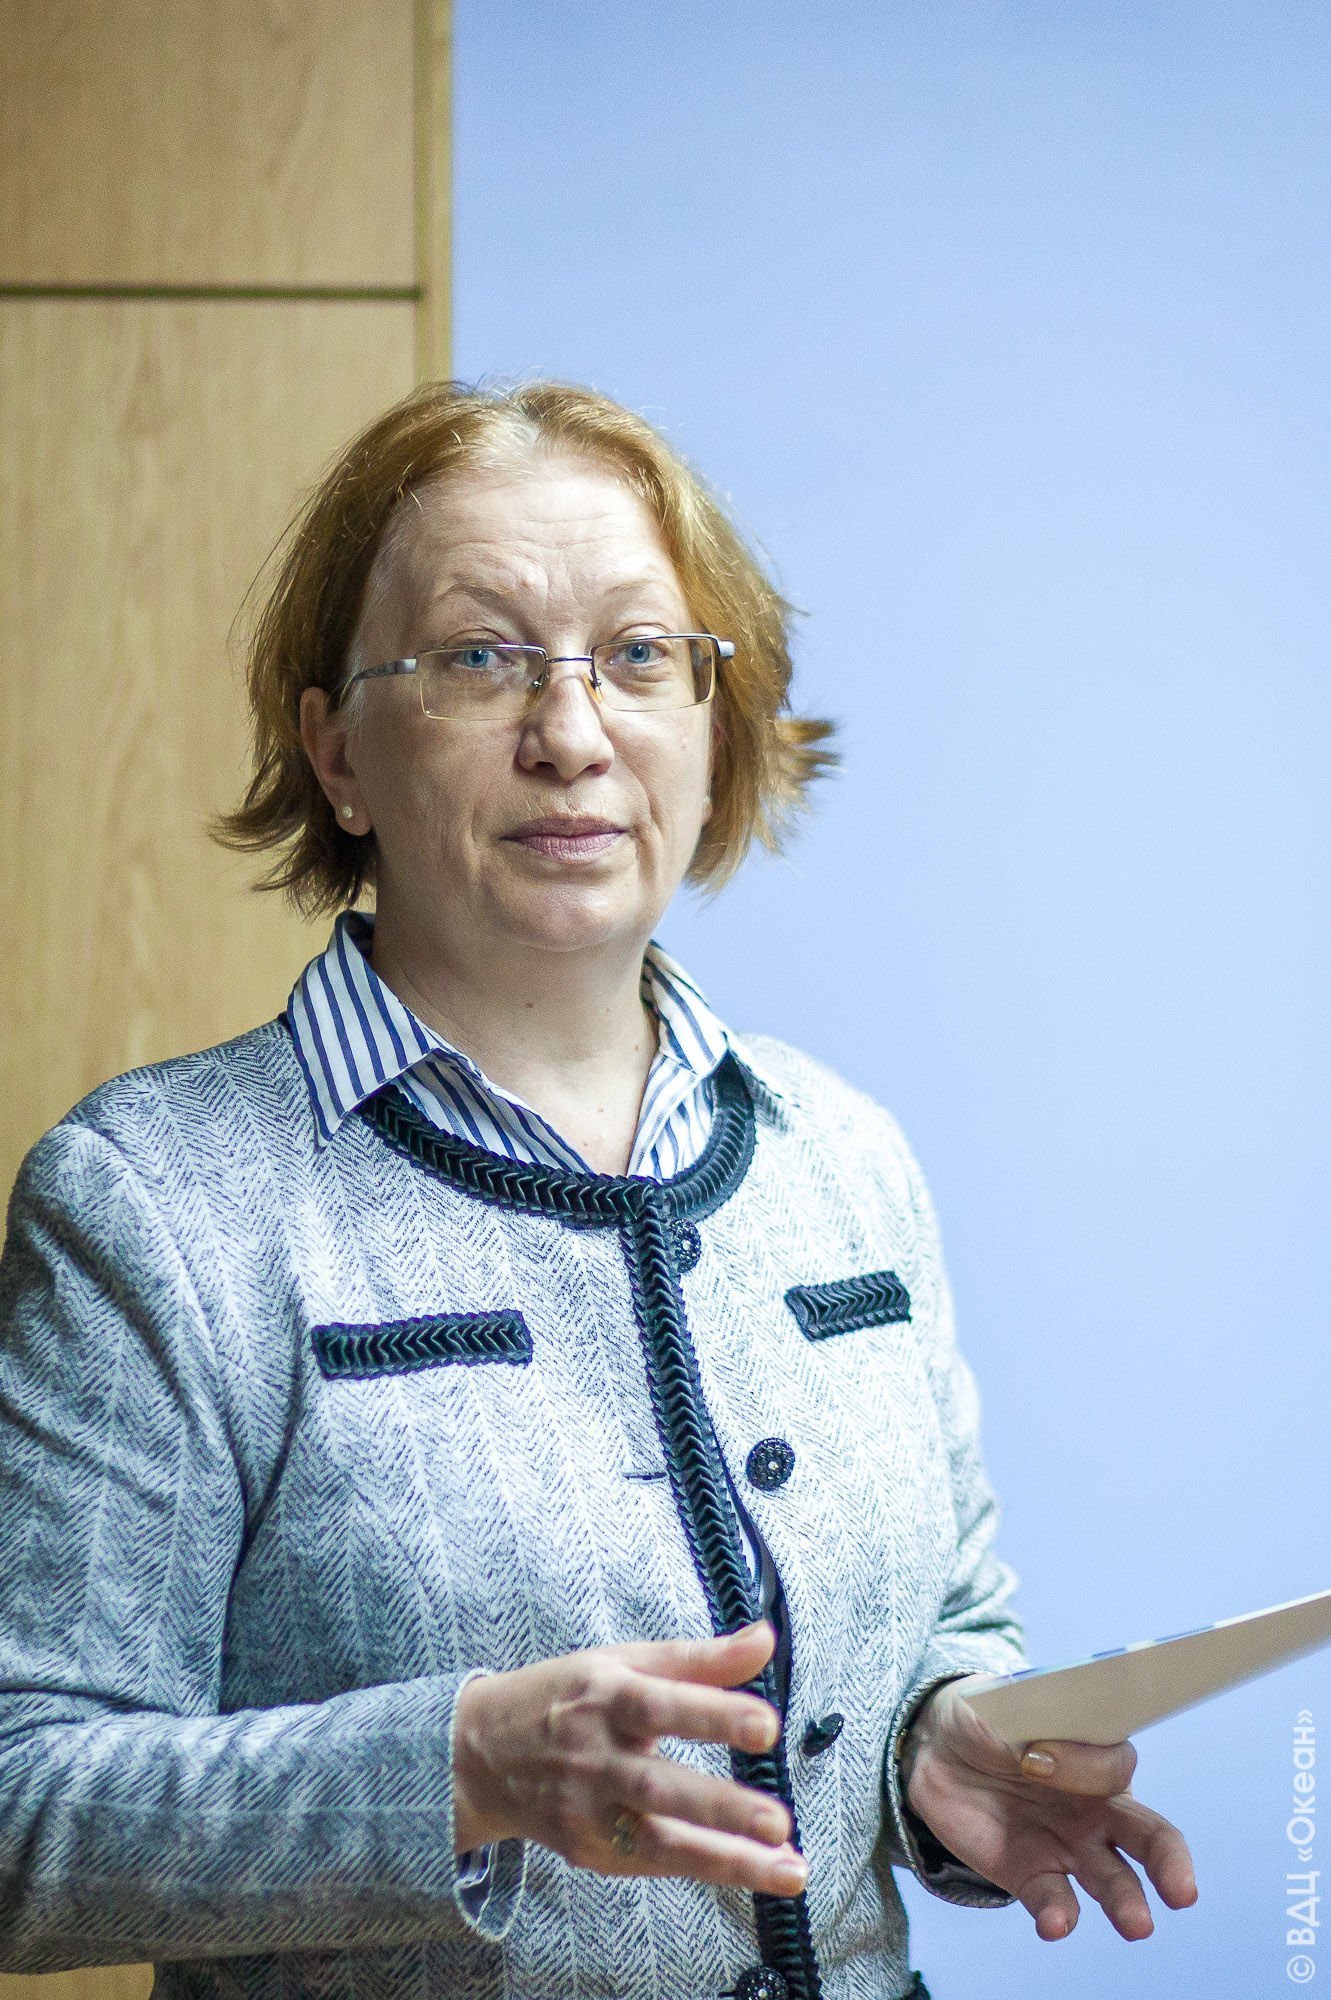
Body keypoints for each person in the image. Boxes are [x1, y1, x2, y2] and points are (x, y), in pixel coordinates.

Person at [0, 380, 1196, 2000]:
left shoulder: (846, 1157)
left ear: (714, 730)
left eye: (638, 655)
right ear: (338, 752)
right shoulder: (156, 1199)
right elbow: (22, 1807)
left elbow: (949, 1618)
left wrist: (931, 1747)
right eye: (479, 657)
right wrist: (456, 1771)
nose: (570, 734)